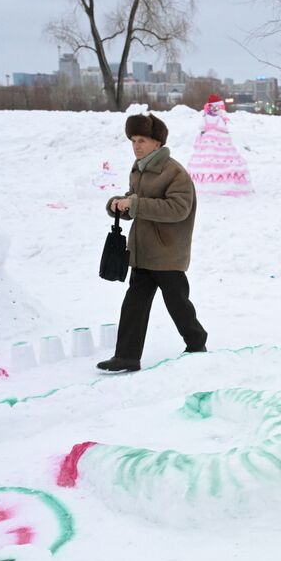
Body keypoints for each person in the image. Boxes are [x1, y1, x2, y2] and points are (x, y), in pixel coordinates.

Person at [96, 112, 208, 372]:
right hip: (143, 252)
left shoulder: (174, 172)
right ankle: (126, 356)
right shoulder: (139, 169)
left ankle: (196, 342)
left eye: (142, 140)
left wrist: (134, 204)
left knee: (178, 304)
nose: (136, 146)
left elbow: (178, 208)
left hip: (167, 253)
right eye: (133, 140)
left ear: (157, 143)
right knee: (134, 304)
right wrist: (119, 205)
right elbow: (137, 201)